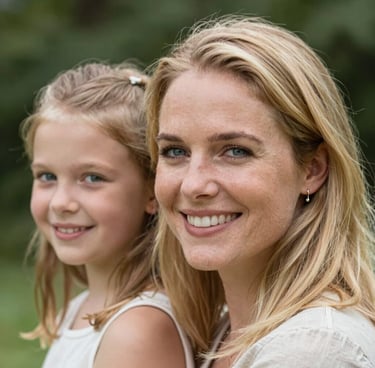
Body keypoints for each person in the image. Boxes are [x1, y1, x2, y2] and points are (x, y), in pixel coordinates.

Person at [145, 16, 375, 367]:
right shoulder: (225, 330)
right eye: (176, 152)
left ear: (312, 170)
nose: (193, 184)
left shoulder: (312, 351)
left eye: (235, 151)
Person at [20, 62, 194, 368]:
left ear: (151, 190)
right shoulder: (82, 309)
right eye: (47, 176)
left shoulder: (138, 331)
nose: (61, 203)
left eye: (92, 178)